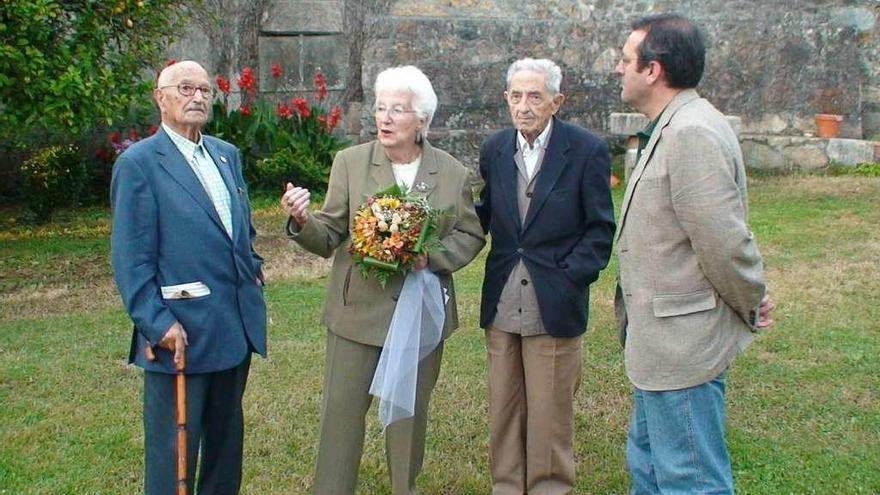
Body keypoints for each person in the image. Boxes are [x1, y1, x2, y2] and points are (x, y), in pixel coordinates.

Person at [281, 65, 485, 495]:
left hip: (421, 318)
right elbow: (330, 233)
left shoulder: (450, 172)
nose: (385, 118)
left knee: (408, 418)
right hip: (357, 315)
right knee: (341, 416)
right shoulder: (351, 163)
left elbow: (470, 233)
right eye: (380, 108)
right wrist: (302, 220)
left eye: (398, 109)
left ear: (423, 120)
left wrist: (431, 257)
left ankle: (403, 488)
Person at [613, 13, 776, 494]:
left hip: (683, 347)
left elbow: (724, 241)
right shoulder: (674, 124)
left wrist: (751, 298)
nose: (618, 69)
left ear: (653, 70)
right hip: (659, 344)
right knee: (650, 468)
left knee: (689, 479)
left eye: (625, 60)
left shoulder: (691, 133)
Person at [111, 60, 267, 494]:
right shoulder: (139, 163)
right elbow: (130, 256)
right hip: (179, 335)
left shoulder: (225, 154)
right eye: (185, 88)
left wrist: (252, 272)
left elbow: (241, 230)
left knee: (225, 447)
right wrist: (157, 323)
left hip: (232, 328)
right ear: (160, 97)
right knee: (172, 457)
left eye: (204, 89)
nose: (197, 97)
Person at [476, 58, 616, 494]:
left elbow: (600, 230)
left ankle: (549, 487)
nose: (524, 106)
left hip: (553, 305)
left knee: (550, 413)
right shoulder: (495, 149)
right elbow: (480, 216)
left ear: (556, 102)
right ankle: (507, 486)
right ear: (505, 100)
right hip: (502, 304)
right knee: (504, 408)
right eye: (516, 96)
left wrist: (568, 277)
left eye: (535, 96)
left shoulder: (586, 150)